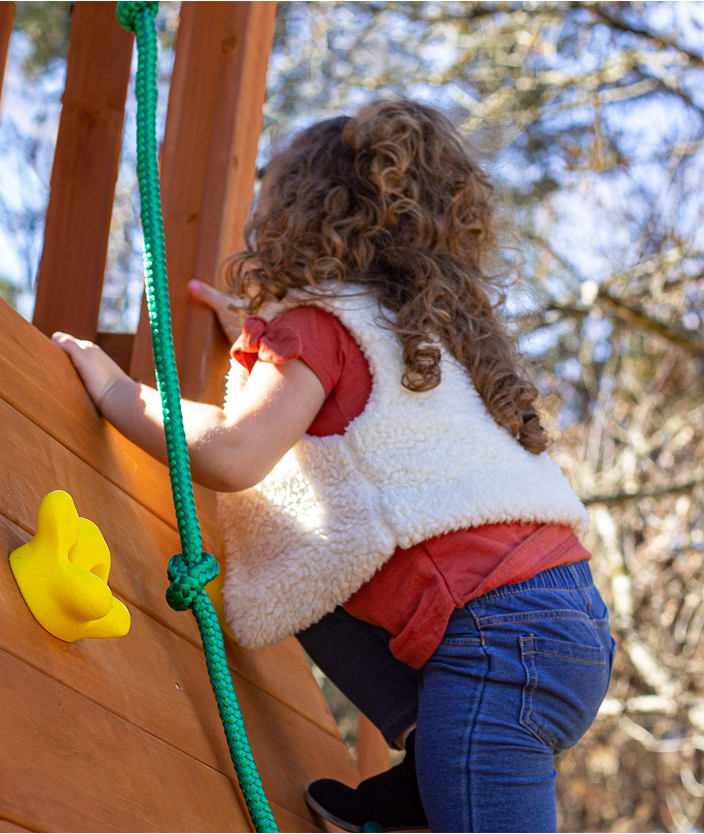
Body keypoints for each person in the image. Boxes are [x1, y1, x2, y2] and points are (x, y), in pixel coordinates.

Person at [52, 100, 617, 833]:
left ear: (297, 214)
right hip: (566, 623)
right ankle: (425, 772)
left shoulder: (319, 326)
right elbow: (364, 424)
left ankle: (434, 755)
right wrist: (268, 352)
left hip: (493, 649)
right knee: (292, 576)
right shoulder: (429, 337)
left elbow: (234, 452)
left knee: (290, 563)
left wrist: (116, 390)